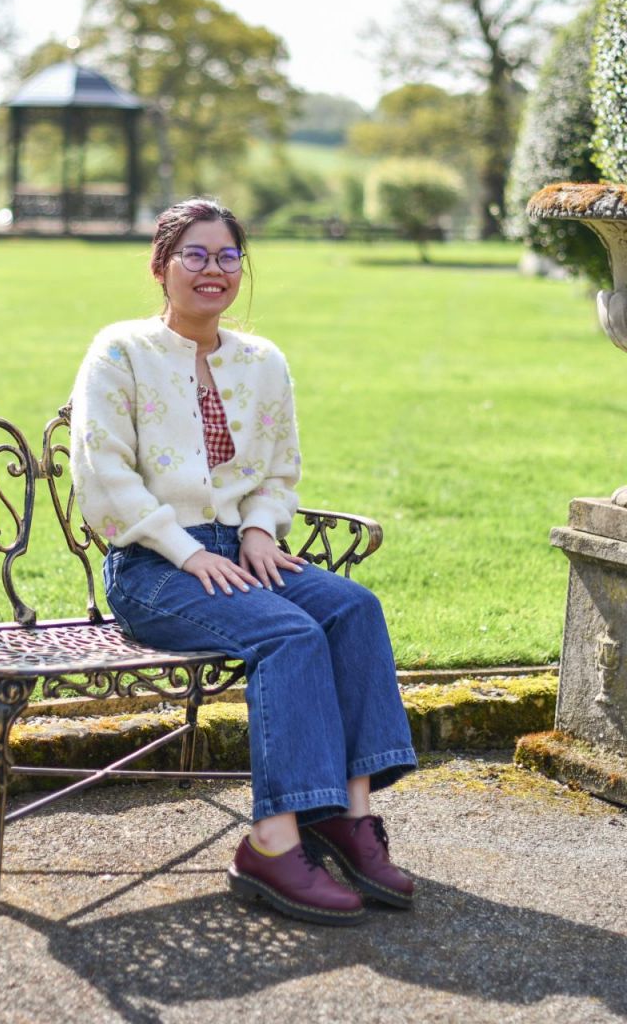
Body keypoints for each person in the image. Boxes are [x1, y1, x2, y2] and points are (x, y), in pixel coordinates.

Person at [70, 198, 417, 926]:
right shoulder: (120, 351)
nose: (213, 270)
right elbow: (103, 474)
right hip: (154, 565)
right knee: (287, 635)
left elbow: (279, 469)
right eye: (194, 255)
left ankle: (346, 820)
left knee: (354, 608)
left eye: (228, 256)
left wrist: (261, 529)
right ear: (160, 266)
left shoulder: (263, 362)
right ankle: (270, 844)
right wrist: (189, 551)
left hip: (243, 553)